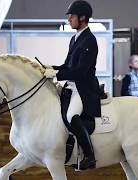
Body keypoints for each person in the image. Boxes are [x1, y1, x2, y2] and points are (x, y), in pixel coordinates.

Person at [43, 0, 100, 170]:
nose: (69, 19)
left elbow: (81, 71)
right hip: (71, 86)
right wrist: (51, 68)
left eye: (72, 16)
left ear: (82, 18)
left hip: (83, 89)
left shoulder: (90, 40)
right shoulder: (75, 39)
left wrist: (57, 74)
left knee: (71, 116)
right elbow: (68, 66)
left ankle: (90, 157)